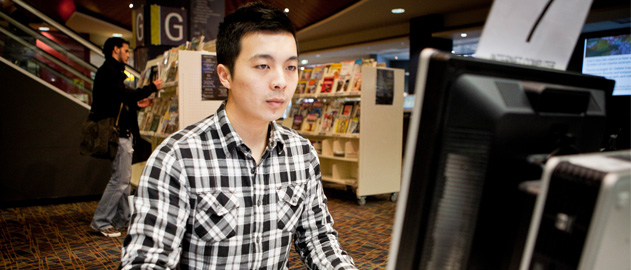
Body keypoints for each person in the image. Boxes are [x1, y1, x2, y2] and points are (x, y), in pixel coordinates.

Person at [121, 2, 357, 269]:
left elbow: (318, 239)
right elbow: (148, 259)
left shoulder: (301, 153)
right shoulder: (178, 157)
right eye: (262, 66)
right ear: (225, 75)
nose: (280, 81)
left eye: (290, 67)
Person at [90, 37, 162, 238]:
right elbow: (124, 95)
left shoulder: (110, 72)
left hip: (121, 133)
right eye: (126, 50)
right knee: (120, 180)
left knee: (123, 178)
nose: (129, 54)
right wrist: (152, 88)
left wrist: (136, 106)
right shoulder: (109, 72)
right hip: (118, 134)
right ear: (116, 50)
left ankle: (124, 219)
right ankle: (101, 221)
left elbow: (117, 102)